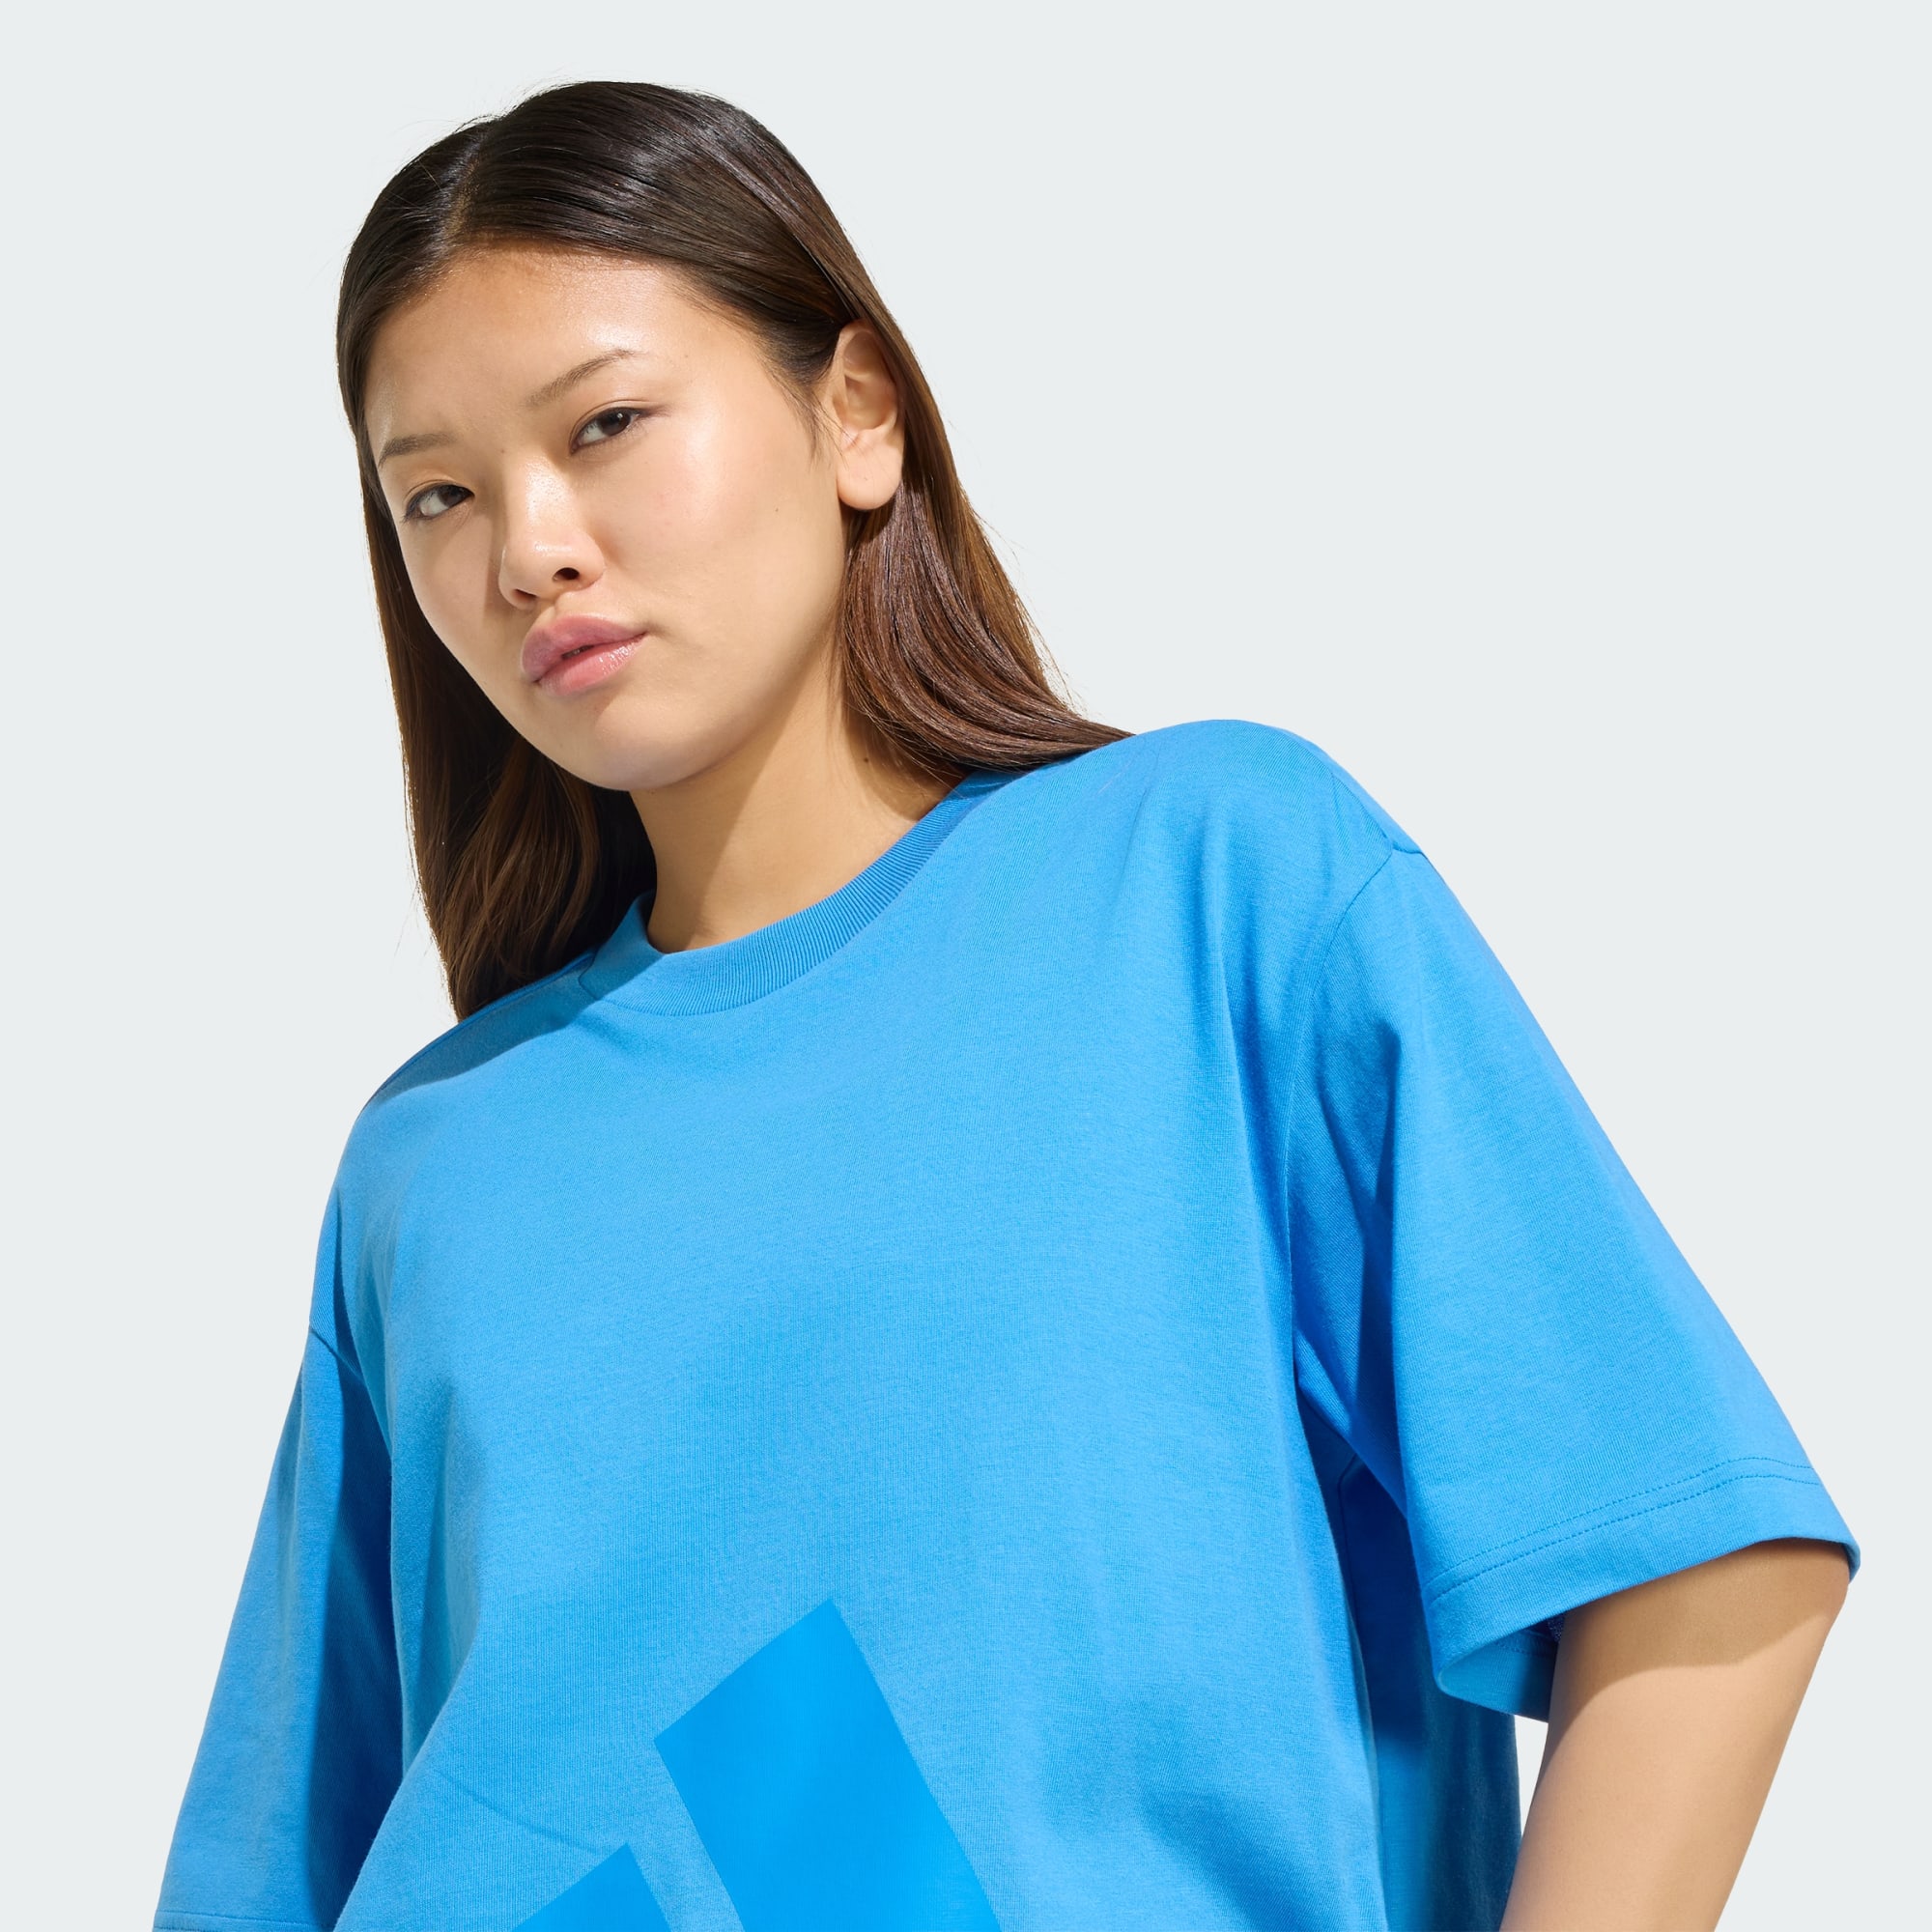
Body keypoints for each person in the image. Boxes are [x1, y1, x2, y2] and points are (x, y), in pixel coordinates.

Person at [155, 81, 1854, 1932]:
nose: (528, 548)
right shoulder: (434, 1158)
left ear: (857, 415)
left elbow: (1696, 1570)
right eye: (439, 495)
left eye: (607, 425)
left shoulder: (1210, 885)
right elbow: (280, 1868)